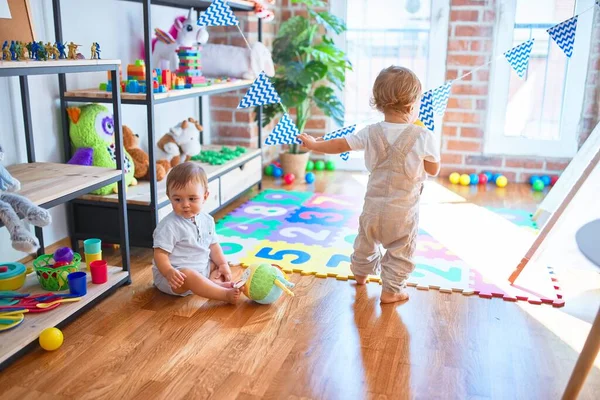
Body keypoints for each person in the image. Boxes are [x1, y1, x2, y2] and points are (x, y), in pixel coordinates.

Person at [298, 65, 441, 304]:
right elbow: (433, 170)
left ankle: (361, 274)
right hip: (402, 215)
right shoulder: (424, 137)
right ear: (412, 105)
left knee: (365, 242)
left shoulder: (370, 132)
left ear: (378, 102)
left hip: (372, 210)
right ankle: (392, 290)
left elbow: (340, 145)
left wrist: (314, 145)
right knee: (400, 252)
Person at [152, 162, 240, 304]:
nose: (185, 204)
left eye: (192, 199)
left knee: (216, 264)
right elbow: (160, 254)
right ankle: (223, 294)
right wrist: (168, 272)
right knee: (188, 275)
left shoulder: (207, 220)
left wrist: (223, 264)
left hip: (200, 268)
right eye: (177, 199)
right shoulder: (169, 226)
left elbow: (213, 246)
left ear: (205, 196)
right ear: (169, 197)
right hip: (176, 278)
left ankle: (212, 285)